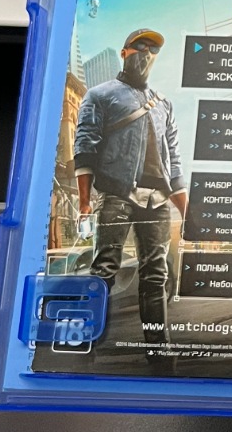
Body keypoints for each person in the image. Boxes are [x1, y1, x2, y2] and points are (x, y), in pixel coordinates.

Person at [74, 28, 187, 356]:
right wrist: (84, 203)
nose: (147, 53)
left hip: (158, 201)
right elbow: (85, 147)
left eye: (153, 49)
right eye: (140, 46)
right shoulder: (100, 94)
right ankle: (83, 346)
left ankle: (159, 351)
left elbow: (174, 161)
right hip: (116, 194)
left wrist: (188, 212)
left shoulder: (164, 104)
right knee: (104, 270)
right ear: (124, 52)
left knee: (156, 275)